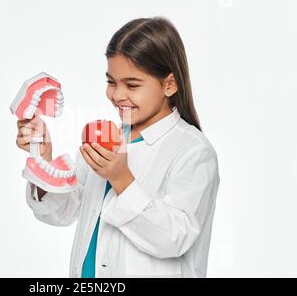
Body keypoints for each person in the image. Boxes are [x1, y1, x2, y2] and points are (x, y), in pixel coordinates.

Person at [16, 17, 220, 278]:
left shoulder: (193, 152)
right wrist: (44, 159)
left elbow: (174, 238)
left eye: (132, 85)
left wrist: (121, 179)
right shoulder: (106, 138)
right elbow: (64, 212)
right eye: (111, 82)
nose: (117, 95)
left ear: (169, 84)